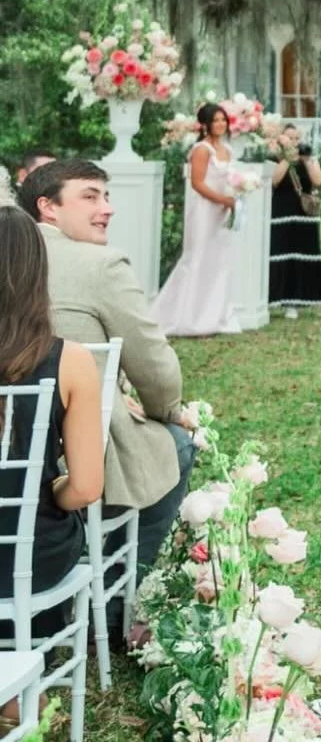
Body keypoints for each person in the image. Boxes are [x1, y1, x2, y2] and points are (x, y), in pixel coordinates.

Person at [18, 159, 196, 589]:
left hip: (13, 443)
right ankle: (125, 592)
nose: (107, 207)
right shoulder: (101, 266)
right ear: (48, 207)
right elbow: (154, 366)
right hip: (77, 455)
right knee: (176, 445)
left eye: (107, 195)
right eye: (90, 195)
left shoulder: (13, 259)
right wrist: (164, 410)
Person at [0, 209, 105, 627]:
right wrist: (46, 487)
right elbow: (85, 487)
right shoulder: (71, 361)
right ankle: (26, 677)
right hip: (27, 555)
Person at [153, 104, 242, 338]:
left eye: (224, 119)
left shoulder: (227, 150)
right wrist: (223, 199)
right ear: (205, 124)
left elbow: (231, 178)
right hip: (204, 210)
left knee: (217, 261)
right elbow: (198, 183)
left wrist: (237, 193)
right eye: (216, 120)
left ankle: (211, 316)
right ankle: (183, 318)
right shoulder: (201, 150)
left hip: (222, 210)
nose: (221, 124)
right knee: (197, 259)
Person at [269, 128, 321, 320]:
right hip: (282, 212)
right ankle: (278, 298)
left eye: (297, 138)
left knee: (302, 255)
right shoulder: (275, 157)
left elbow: (318, 180)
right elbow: (274, 181)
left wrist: (307, 159)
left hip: (304, 214)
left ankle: (298, 300)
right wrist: (287, 159)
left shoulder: (308, 156)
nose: (294, 141)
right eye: (290, 138)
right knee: (281, 254)